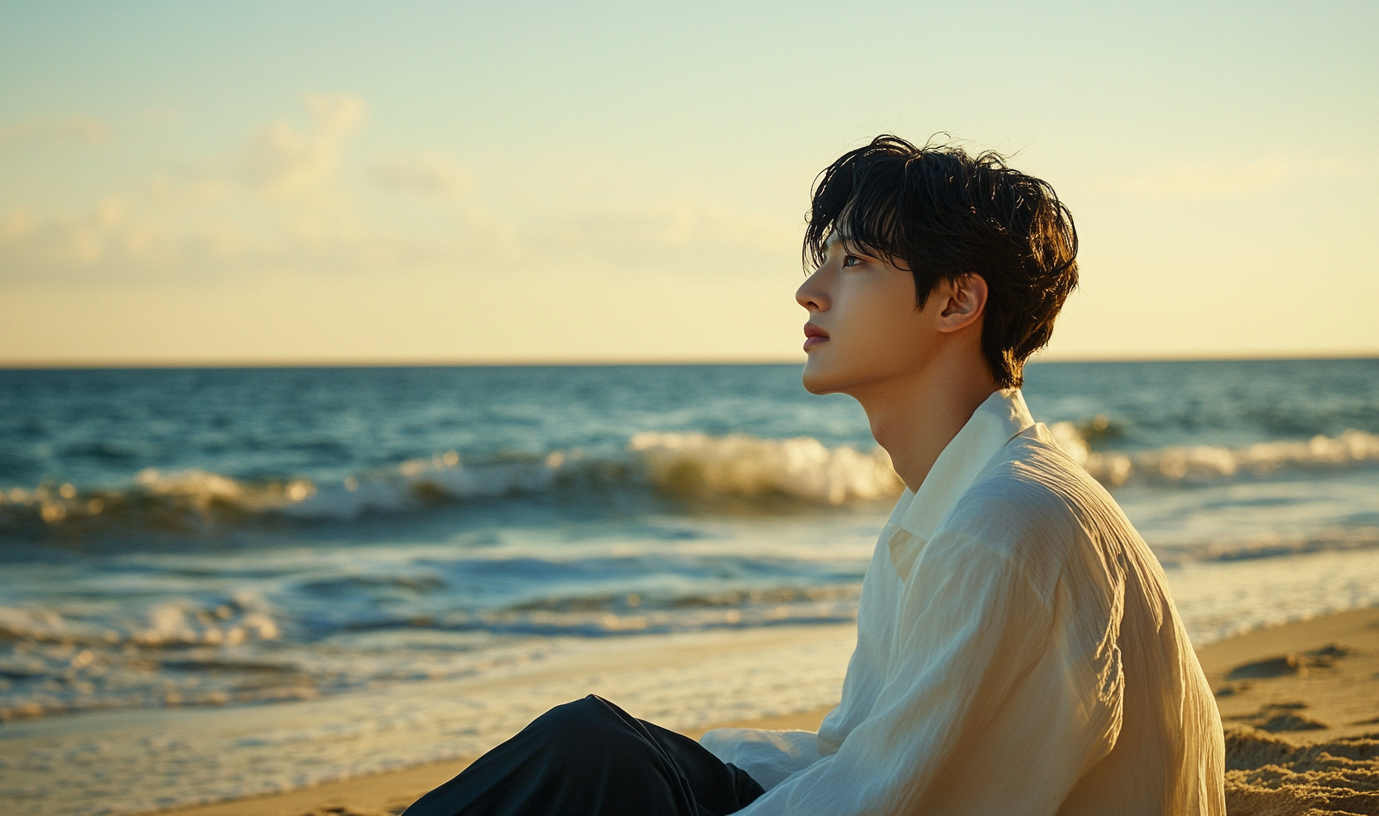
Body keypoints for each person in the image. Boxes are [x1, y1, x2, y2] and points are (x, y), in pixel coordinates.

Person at [405, 135, 1227, 815]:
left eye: (855, 262)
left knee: (590, 758)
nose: (809, 291)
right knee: (602, 751)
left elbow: (889, 797)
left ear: (956, 303)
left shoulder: (1001, 528)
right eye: (822, 261)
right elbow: (862, 751)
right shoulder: (944, 503)